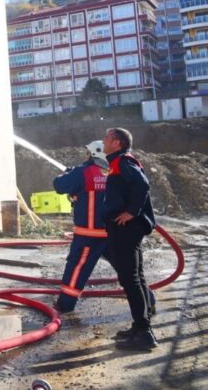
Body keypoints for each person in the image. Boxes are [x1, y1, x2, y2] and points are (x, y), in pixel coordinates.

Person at [102, 127, 158, 351]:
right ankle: (140, 327)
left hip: (126, 229)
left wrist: (131, 212)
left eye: (106, 138)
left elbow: (142, 185)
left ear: (116, 143)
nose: (103, 142)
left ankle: (144, 333)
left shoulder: (123, 162)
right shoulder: (119, 162)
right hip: (128, 229)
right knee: (136, 277)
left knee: (130, 279)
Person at [51, 140, 110, 313]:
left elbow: (59, 185)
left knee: (77, 269)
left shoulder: (82, 172)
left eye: (87, 153)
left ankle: (65, 304)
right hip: (113, 233)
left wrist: (67, 173)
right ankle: (147, 300)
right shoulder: (114, 172)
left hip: (88, 236)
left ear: (93, 154)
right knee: (128, 270)